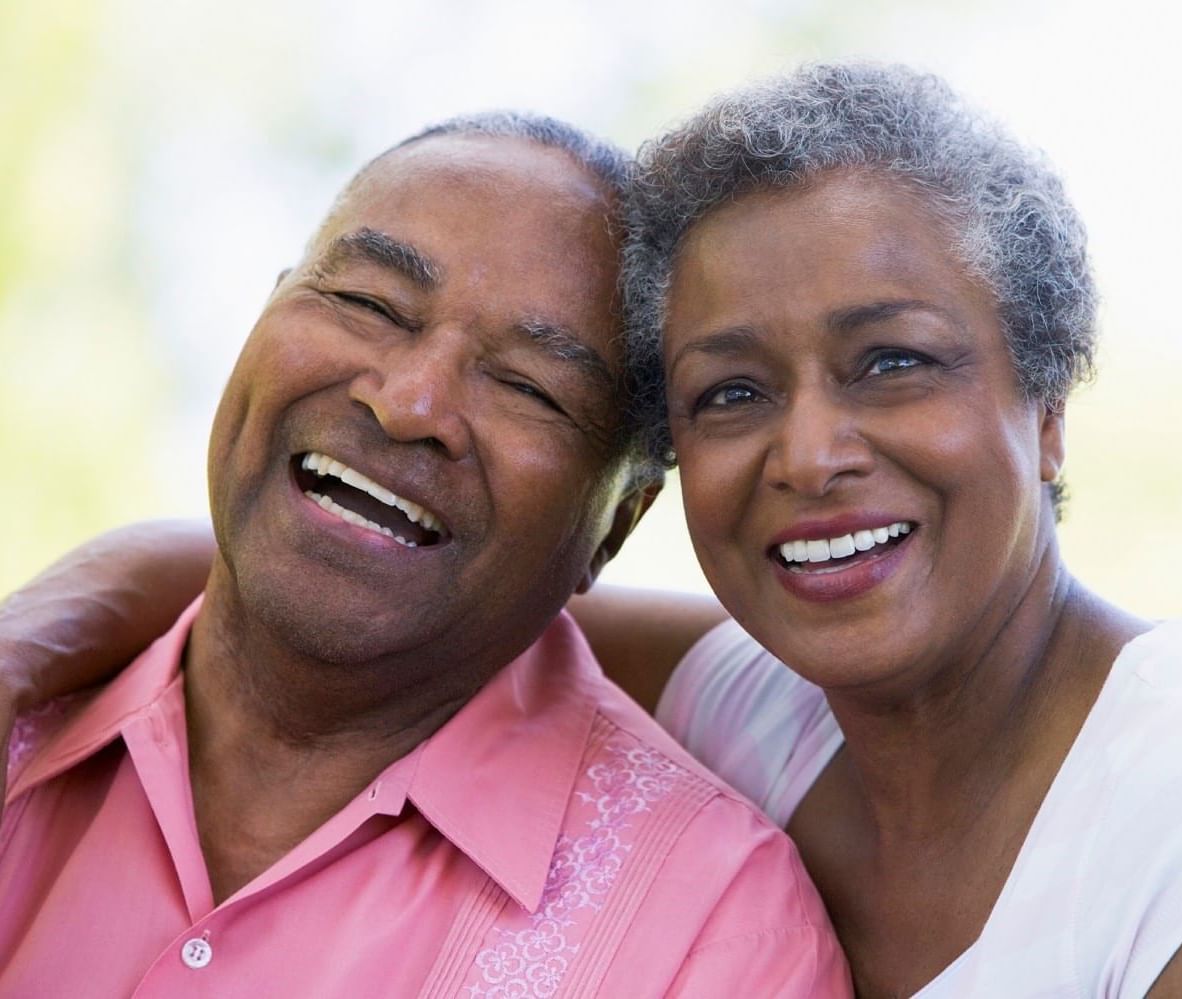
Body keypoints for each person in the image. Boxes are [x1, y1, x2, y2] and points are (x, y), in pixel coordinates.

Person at [7, 63, 1182, 996]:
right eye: (733, 391)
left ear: (1048, 410)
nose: (810, 452)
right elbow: (390, 573)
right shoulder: (761, 700)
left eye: (893, 362)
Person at [0, 112, 849, 997]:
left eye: (529, 385)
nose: (410, 403)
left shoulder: (713, 933)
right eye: (368, 303)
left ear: (617, 525)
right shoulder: (28, 719)